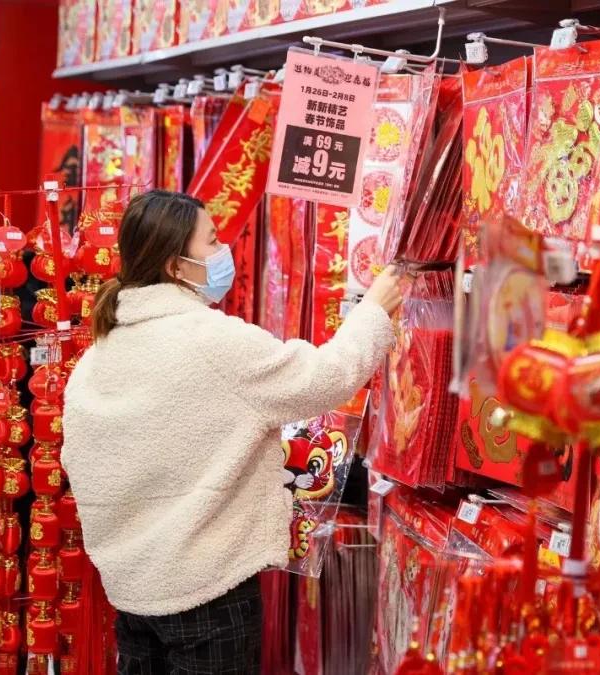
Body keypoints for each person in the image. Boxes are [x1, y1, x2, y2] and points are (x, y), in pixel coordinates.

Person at [62, 190, 402, 674]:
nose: (223, 254)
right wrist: (373, 312)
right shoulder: (209, 340)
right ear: (176, 265)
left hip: (132, 589)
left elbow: (80, 460)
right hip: (208, 587)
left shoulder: (99, 354)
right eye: (213, 241)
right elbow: (323, 378)